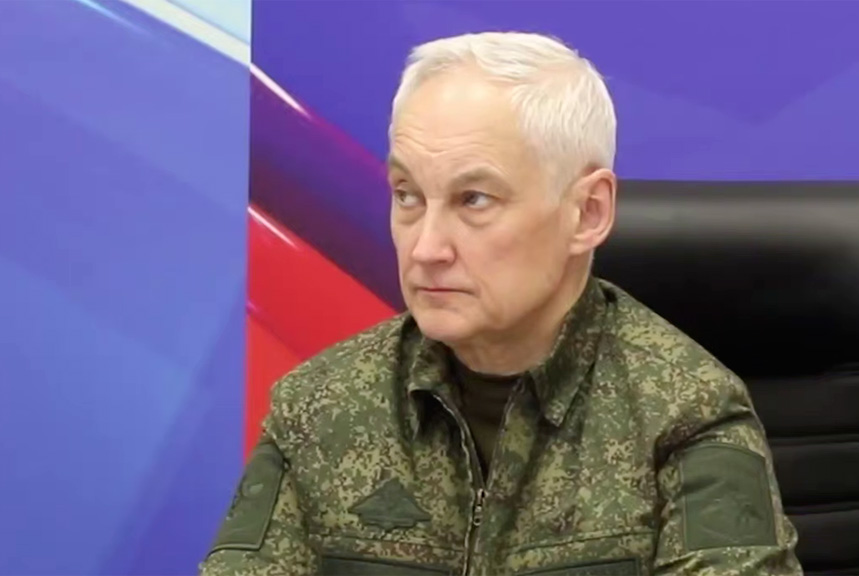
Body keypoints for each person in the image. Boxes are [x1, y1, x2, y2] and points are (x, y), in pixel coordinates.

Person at [200, 31, 802, 576]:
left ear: (587, 212)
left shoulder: (684, 413)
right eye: (407, 195)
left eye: (475, 200)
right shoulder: (319, 406)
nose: (426, 248)